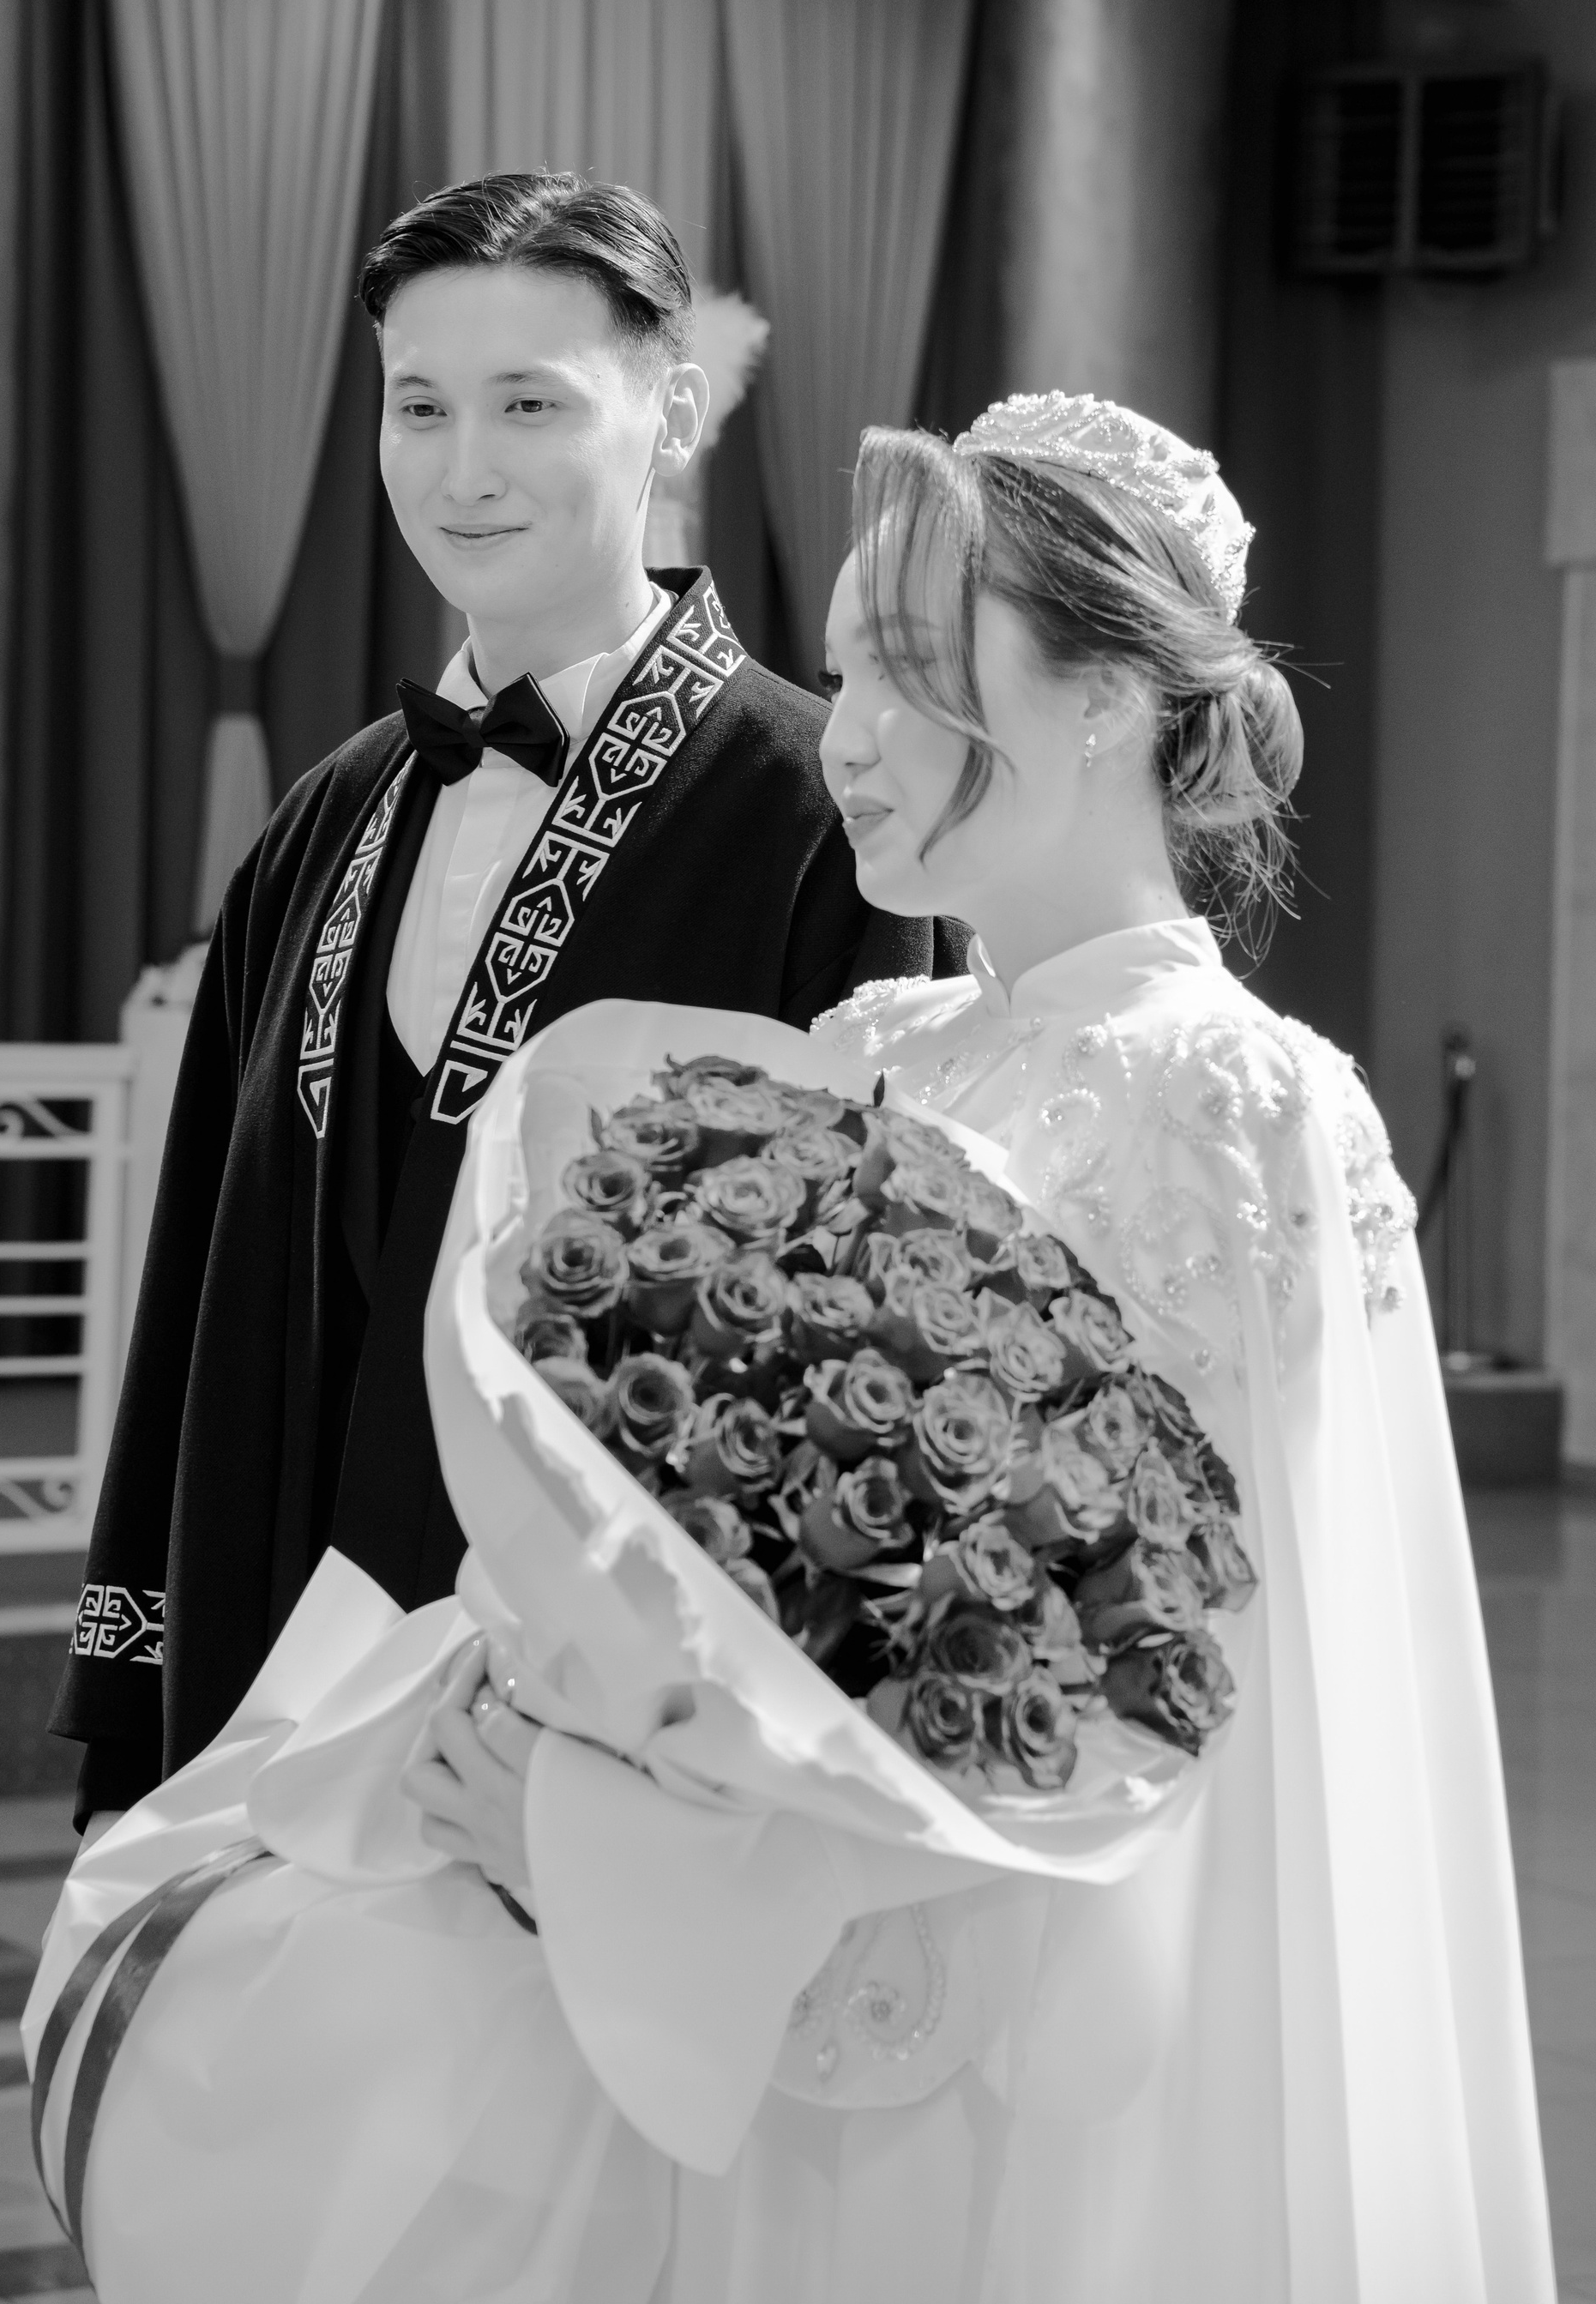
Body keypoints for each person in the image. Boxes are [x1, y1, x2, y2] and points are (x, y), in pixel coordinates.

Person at [401, 394, 1557, 2299]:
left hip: (1047, 2033)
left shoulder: (1247, 1105)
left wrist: (633, 1856)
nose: (843, 732)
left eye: (906, 668)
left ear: (1100, 695)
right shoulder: (866, 1049)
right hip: (791, 1970)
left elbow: (1191, 1721)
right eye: (843, 667)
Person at [51, 172, 961, 1837]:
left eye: (530, 403)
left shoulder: (823, 822)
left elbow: (869, 1336)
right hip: (271, 1685)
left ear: (671, 410)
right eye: (420, 406)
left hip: (601, 1746)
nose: (463, 468)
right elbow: (198, 1284)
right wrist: (131, 1722)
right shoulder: (320, 820)